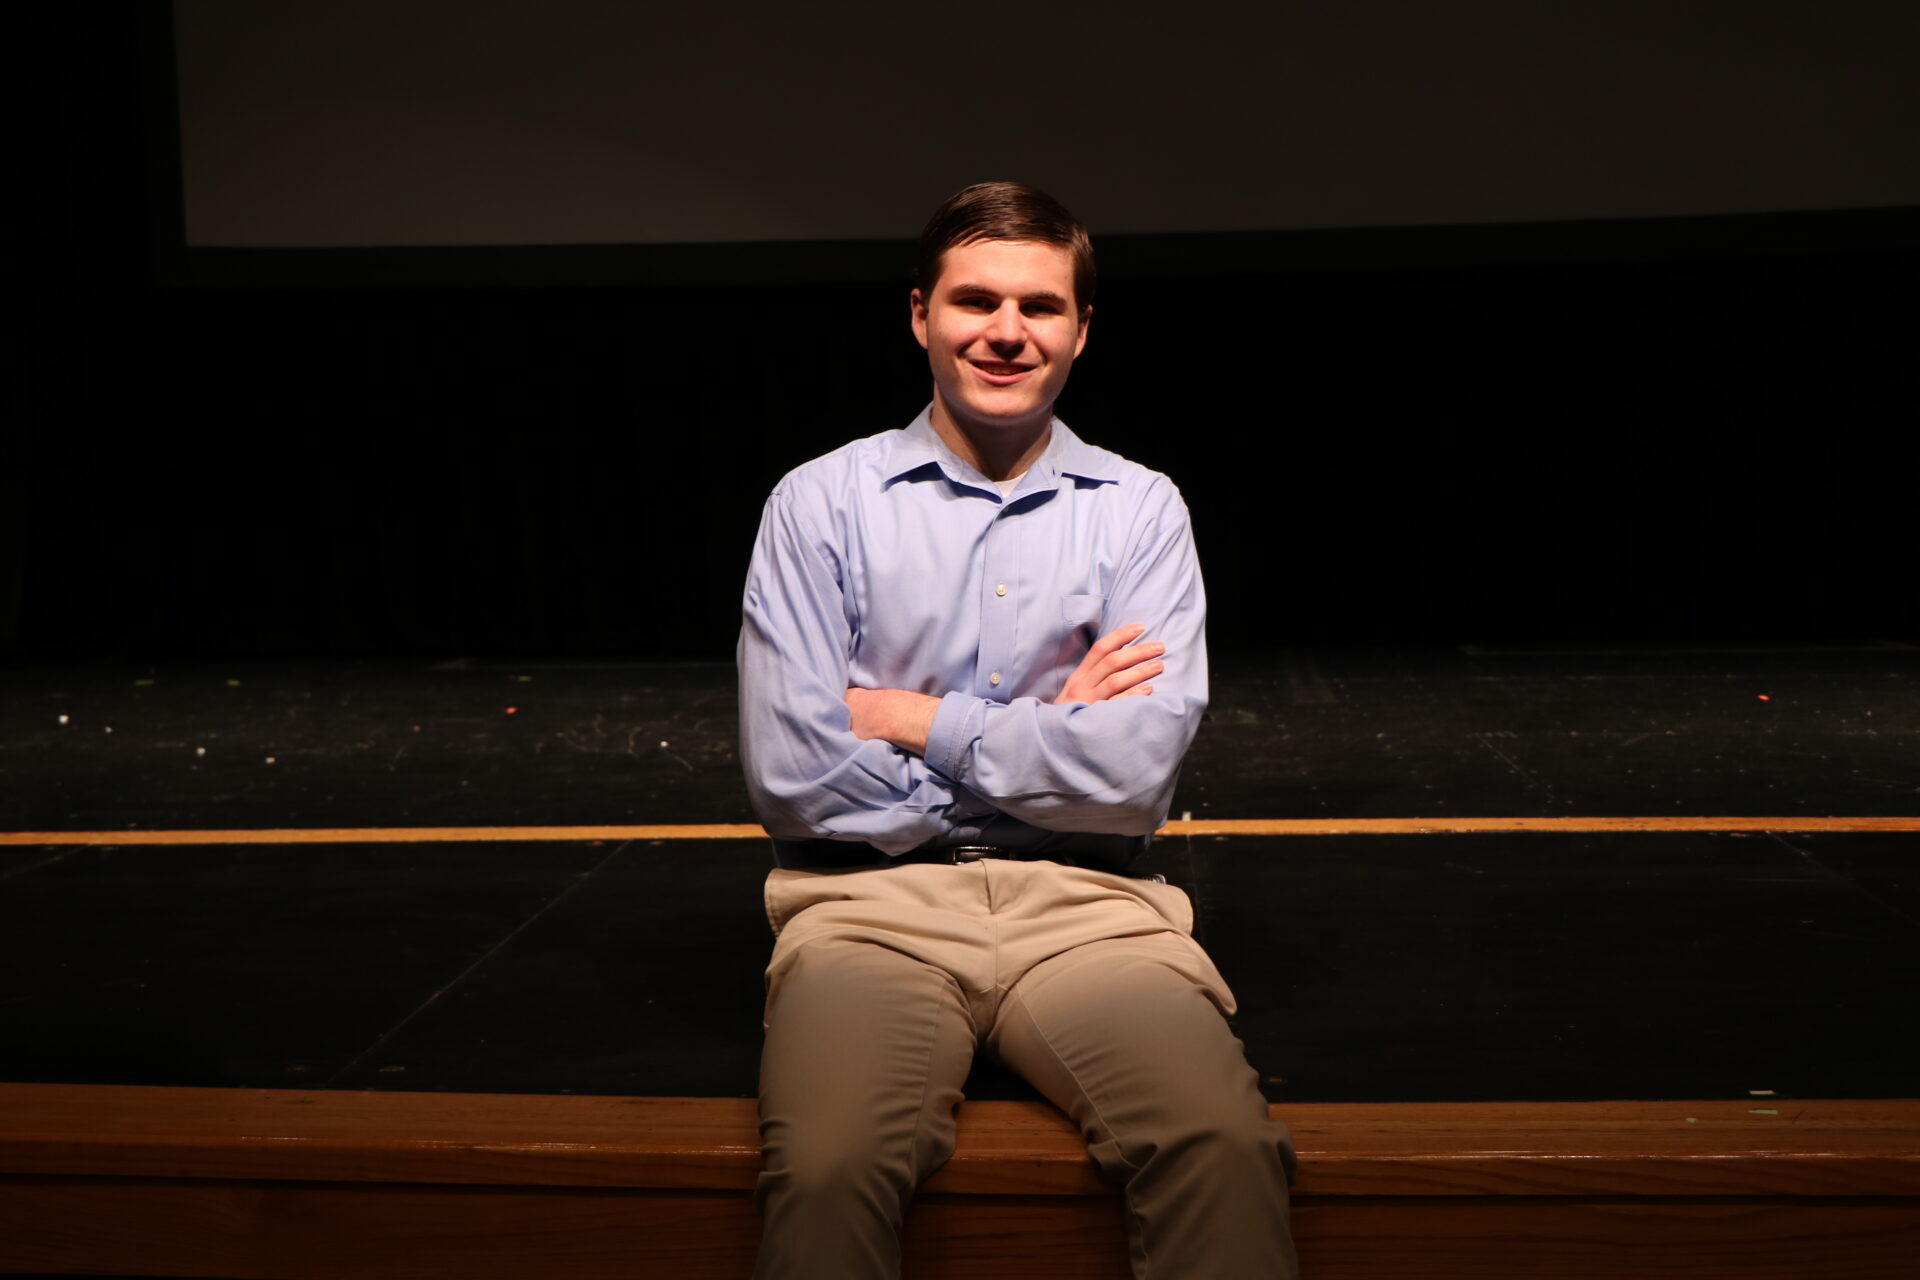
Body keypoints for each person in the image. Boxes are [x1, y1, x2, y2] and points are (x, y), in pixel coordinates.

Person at [736, 181, 1297, 1279]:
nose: (1006, 331)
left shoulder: (1140, 510)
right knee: (830, 1164)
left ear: (1081, 329)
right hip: (867, 910)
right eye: (975, 301)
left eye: (1039, 306)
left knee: (1223, 1144)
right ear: (920, 315)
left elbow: (1132, 776)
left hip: (1093, 909)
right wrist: (1047, 734)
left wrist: (912, 717)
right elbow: (795, 777)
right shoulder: (819, 504)